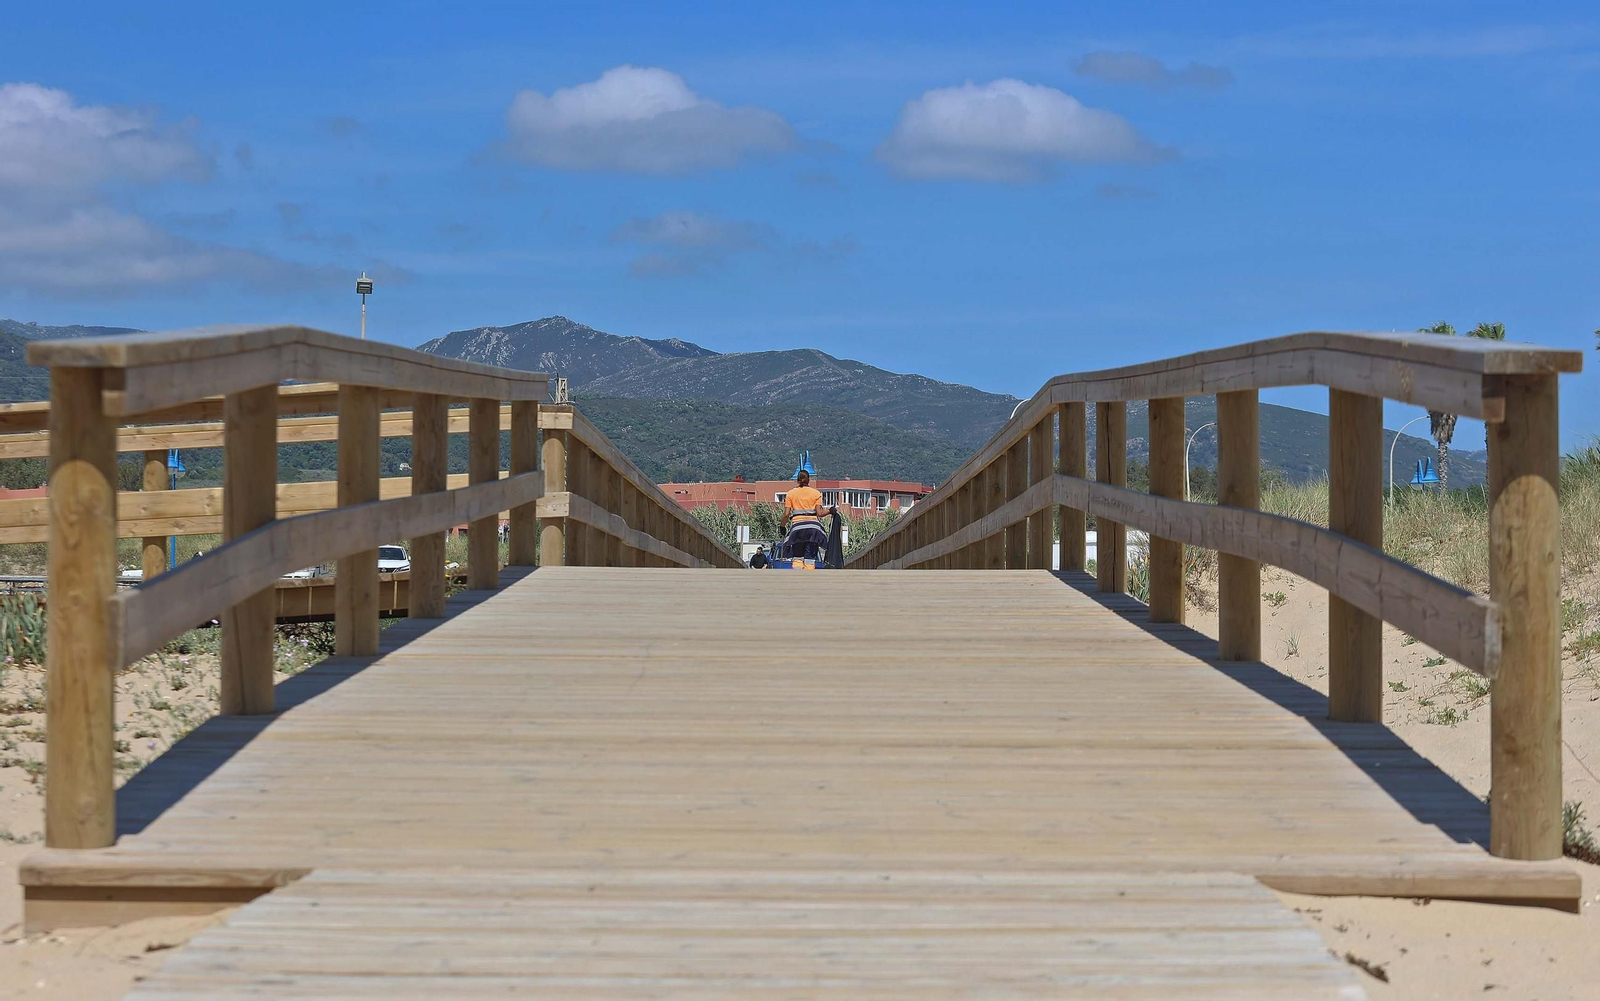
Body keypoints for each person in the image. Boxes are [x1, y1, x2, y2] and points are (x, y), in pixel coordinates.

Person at [780, 470, 831, 563]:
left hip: (797, 528)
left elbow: (786, 514)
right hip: (813, 528)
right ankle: (809, 571)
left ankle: (798, 570)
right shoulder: (816, 493)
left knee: (797, 558)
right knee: (810, 559)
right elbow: (819, 513)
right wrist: (830, 511)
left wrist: (782, 526)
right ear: (809, 480)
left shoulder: (791, 493)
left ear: (797, 480)